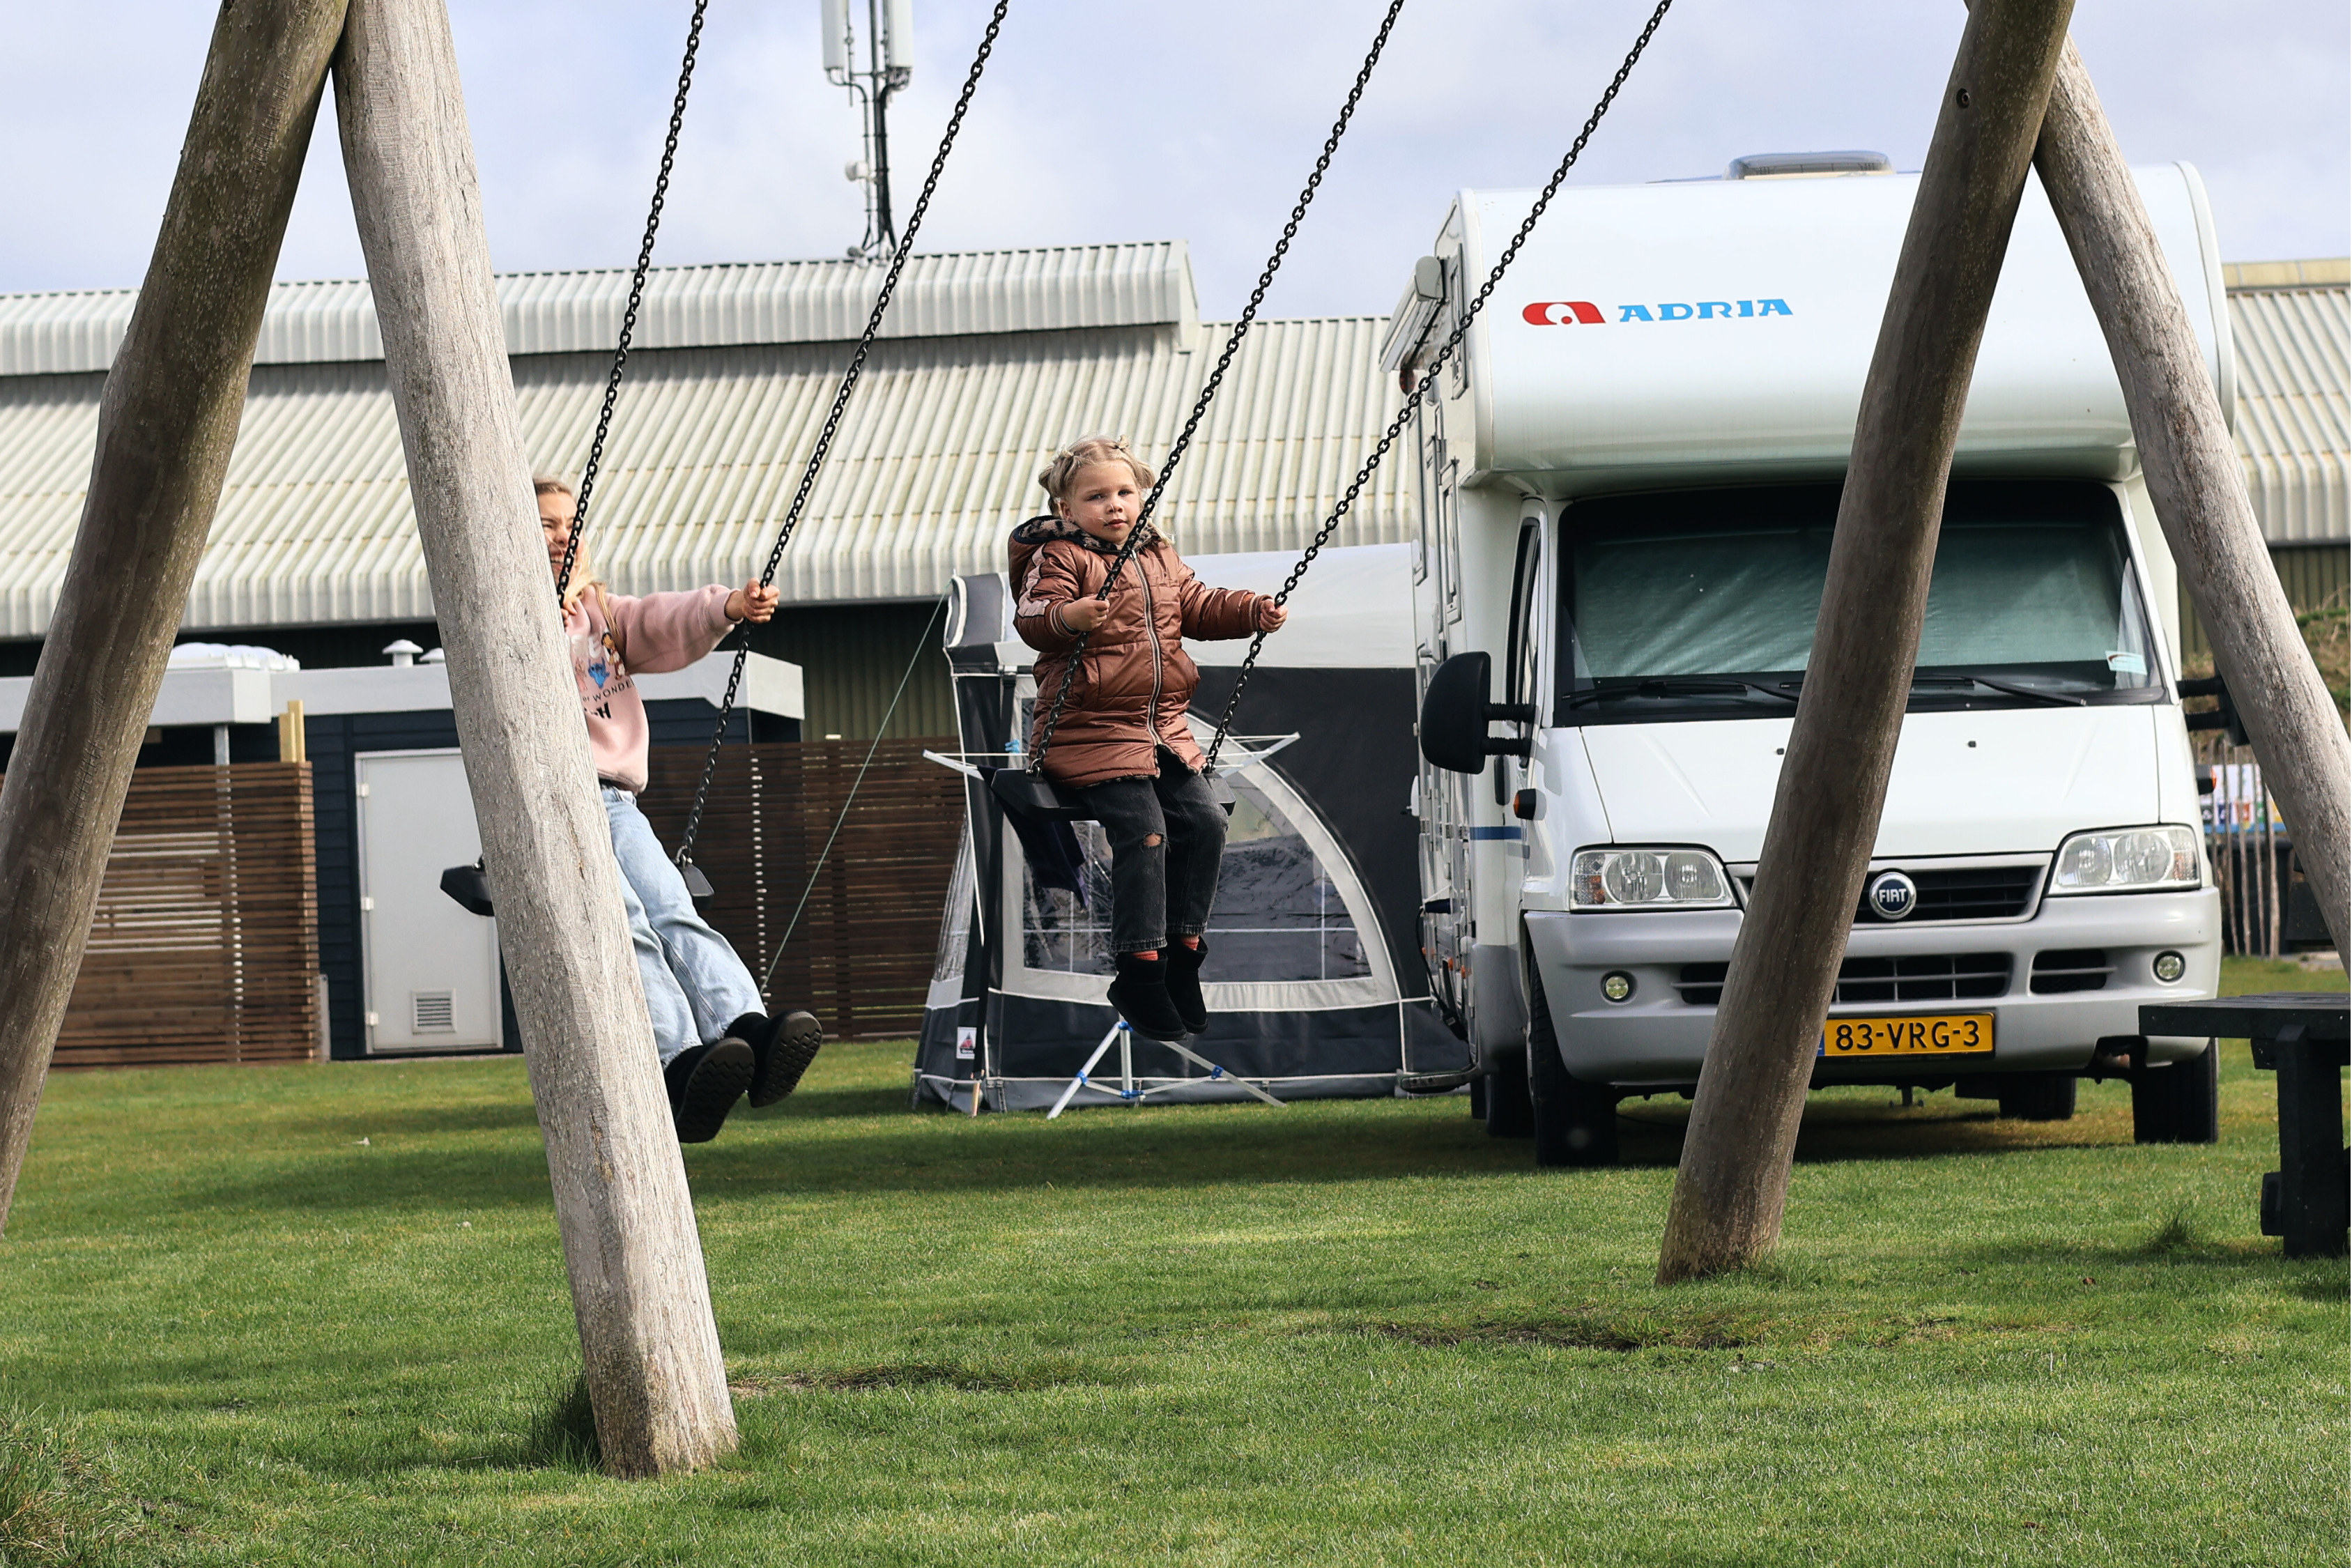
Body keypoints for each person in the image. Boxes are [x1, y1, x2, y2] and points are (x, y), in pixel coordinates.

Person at [538, 475, 822, 1142]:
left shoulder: (599, 614)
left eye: (569, 523)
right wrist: (548, 601)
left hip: (613, 797)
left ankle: (744, 1028)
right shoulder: (503, 613)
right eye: (546, 524)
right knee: (628, 924)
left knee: (672, 908)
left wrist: (727, 606)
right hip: (551, 802)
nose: (561, 535)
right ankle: (678, 1060)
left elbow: (660, 620)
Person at [1010, 437, 1287, 1041]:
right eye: (1096, 497)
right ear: (1064, 508)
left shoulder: (1155, 554)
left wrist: (1250, 611)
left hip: (1159, 730)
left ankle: (1182, 959)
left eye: (1124, 492)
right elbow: (1033, 617)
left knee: (1207, 823)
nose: (1114, 505)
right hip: (1087, 730)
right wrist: (1069, 617)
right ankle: (1138, 969)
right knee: (1145, 831)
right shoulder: (1058, 557)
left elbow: (1197, 605)